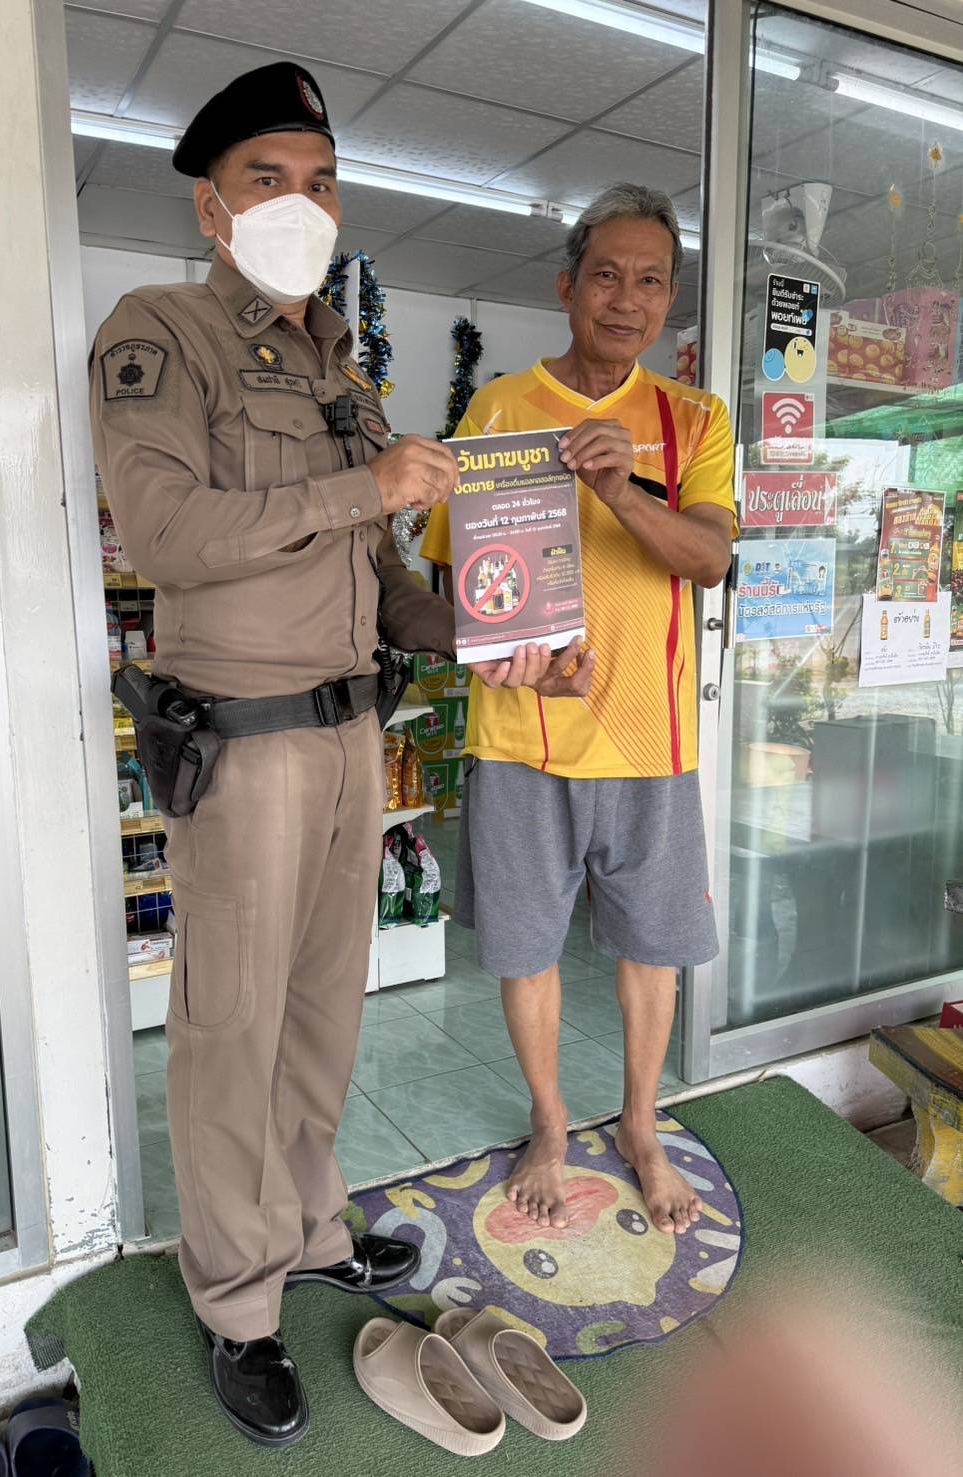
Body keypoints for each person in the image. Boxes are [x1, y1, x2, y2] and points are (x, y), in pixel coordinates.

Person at [89, 62, 459, 1450]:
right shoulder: (159, 332)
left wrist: (498, 628)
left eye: (319, 181)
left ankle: (309, 1229)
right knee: (230, 1027)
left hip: (356, 735)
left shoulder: (338, 372)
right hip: (243, 749)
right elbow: (168, 534)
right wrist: (366, 484)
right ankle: (237, 1302)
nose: (299, 203)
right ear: (211, 205)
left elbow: (384, 578)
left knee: (322, 1013)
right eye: (267, 178)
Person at [421, 182, 736, 1239]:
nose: (626, 299)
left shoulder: (694, 420)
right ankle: (550, 1123)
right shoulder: (498, 411)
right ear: (566, 287)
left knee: (654, 946)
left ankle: (642, 1124)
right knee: (525, 948)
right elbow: (459, 580)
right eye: (606, 275)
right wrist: (496, 654)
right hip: (523, 736)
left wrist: (620, 490)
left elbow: (710, 558)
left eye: (650, 281)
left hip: (651, 736)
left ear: (669, 300)